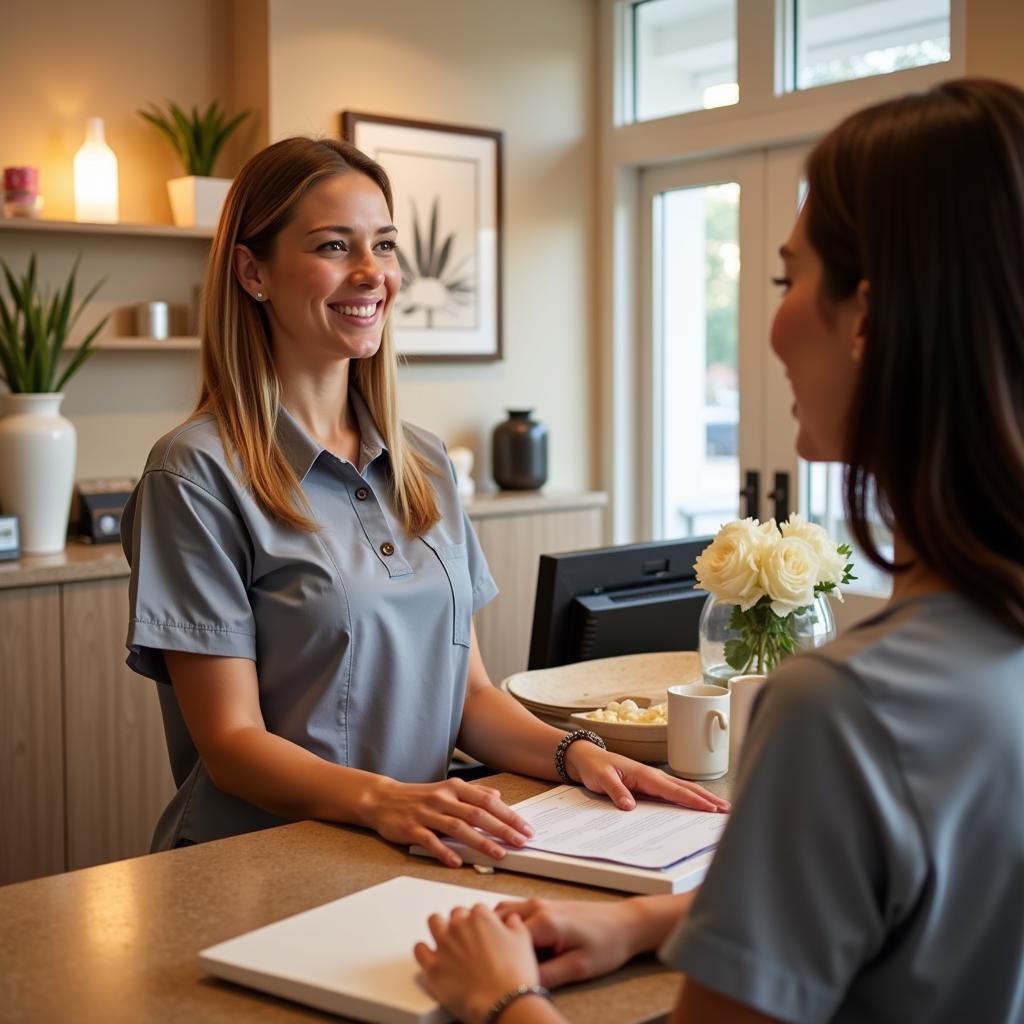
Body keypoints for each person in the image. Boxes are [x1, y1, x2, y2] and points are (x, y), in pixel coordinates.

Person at [413, 77, 1024, 1024]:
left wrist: (502, 1001)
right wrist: (657, 921)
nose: (772, 322)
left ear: (867, 317)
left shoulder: (846, 713)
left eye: (788, 279)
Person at [121, 136, 728, 857]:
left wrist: (580, 755)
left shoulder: (425, 462)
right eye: (333, 247)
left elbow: (467, 701)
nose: (371, 272)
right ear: (253, 272)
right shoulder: (193, 476)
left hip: (404, 844)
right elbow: (231, 743)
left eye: (383, 245)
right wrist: (387, 800)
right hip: (255, 860)